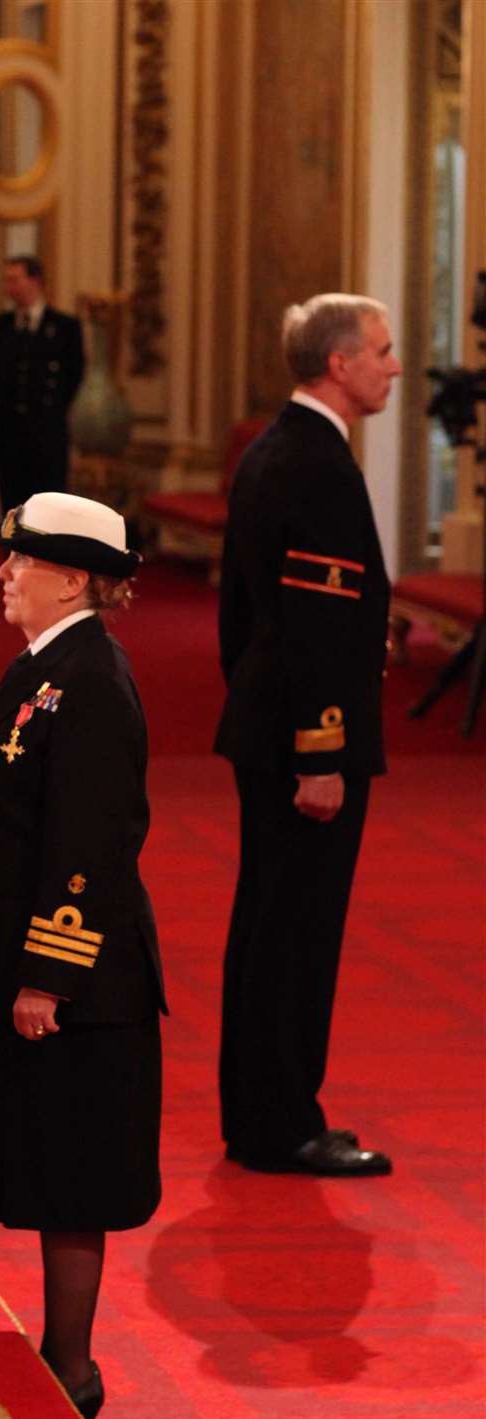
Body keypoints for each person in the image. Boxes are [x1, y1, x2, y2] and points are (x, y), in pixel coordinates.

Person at [0, 490, 166, 1419]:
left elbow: (90, 843)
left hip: (80, 980)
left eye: (21, 560)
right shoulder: (49, 664)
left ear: (73, 578)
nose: (4, 571)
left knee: (75, 1167)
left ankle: (72, 1366)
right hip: (26, 957)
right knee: (47, 1155)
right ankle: (59, 1357)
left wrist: (48, 974)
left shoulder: (93, 682)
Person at [215, 293, 401, 1176]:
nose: (394, 366)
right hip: (306, 744)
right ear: (339, 363)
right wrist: (319, 752)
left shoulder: (271, 449)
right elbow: (315, 630)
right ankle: (283, 1123)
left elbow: (239, 616)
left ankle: (259, 1113)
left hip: (269, 726)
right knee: (295, 932)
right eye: (383, 351)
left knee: (268, 922)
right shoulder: (318, 464)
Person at [0, 256, 85, 517]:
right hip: (7, 433)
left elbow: (74, 375)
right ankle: (12, 558)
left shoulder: (64, 327)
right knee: (10, 507)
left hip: (47, 433)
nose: (9, 287)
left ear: (36, 281)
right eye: (6, 280)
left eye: (15, 279)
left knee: (48, 506)